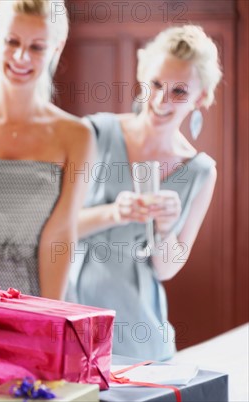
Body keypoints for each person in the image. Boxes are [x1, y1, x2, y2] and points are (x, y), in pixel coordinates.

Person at [66, 25, 222, 360]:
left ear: (202, 97)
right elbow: (55, 228)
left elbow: (166, 269)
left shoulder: (201, 171)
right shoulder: (95, 132)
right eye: (155, 84)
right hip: (67, 312)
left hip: (138, 331)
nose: (161, 101)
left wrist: (166, 230)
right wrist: (114, 212)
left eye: (179, 91)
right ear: (141, 77)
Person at [0, 0, 94, 299]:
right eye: (12, 41)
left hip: (45, 294)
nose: (22, 57)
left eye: (37, 47)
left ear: (56, 47)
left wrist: (46, 320)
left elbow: (59, 235)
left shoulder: (77, 135)